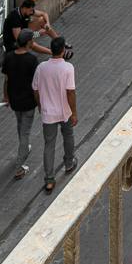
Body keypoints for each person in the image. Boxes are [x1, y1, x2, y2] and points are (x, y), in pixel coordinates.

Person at [33, 35, 78, 193]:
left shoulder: (41, 68)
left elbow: (36, 90)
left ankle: (49, 179)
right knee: (68, 137)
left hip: (48, 114)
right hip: (64, 111)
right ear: (63, 51)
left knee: (49, 145)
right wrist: (74, 113)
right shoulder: (67, 68)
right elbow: (70, 92)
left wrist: (40, 106)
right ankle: (69, 163)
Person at [1, 27, 43, 179]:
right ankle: (19, 166)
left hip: (15, 100)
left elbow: (6, 80)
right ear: (29, 42)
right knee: (25, 131)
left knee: (20, 125)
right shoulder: (32, 60)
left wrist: (5, 97)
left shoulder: (9, 57)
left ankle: (23, 148)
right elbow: (36, 86)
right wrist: (39, 104)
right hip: (28, 102)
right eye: (32, 40)